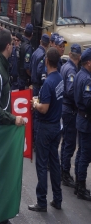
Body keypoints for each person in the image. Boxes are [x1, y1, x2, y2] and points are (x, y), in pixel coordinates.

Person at [0, 28, 25, 224]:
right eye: (13, 44)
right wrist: (13, 119)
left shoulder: (3, 66)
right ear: (8, 46)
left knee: (2, 174)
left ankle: (0, 216)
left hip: (3, 129)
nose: (15, 47)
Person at [29, 47, 64, 212]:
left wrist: (35, 104)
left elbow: (44, 108)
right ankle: (57, 198)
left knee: (42, 165)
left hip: (46, 127)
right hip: (57, 125)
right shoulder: (60, 79)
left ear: (47, 61)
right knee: (54, 163)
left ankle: (41, 201)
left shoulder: (49, 82)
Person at [60, 44, 81, 188]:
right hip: (69, 109)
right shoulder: (72, 71)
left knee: (66, 141)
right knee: (69, 142)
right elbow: (71, 90)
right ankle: (65, 172)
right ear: (79, 56)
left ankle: (63, 170)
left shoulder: (64, 66)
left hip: (64, 108)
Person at [73, 47, 91, 201]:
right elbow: (88, 101)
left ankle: (78, 185)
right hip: (86, 120)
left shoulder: (79, 74)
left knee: (81, 152)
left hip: (81, 118)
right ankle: (81, 187)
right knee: (85, 154)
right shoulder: (87, 79)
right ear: (89, 63)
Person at [30, 34, 50, 142]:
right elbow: (40, 72)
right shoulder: (42, 55)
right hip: (38, 87)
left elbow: (29, 67)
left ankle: (33, 137)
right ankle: (36, 139)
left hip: (33, 85)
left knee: (33, 112)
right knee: (37, 114)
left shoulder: (34, 52)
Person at [18, 23, 33, 90]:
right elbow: (26, 66)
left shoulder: (20, 43)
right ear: (32, 35)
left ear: (24, 32)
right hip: (24, 80)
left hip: (19, 77)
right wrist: (32, 76)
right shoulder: (28, 48)